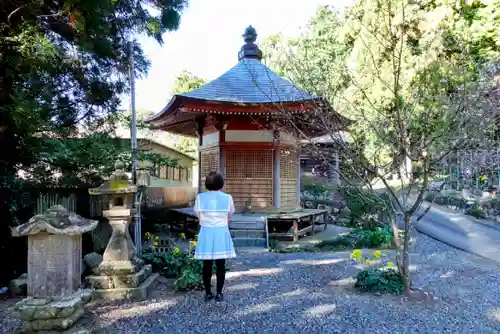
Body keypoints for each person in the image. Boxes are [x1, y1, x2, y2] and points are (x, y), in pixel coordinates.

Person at [193, 171, 236, 302]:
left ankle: (207, 293)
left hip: (206, 231)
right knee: (220, 264)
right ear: (221, 183)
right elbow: (229, 217)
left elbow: (198, 216)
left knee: (206, 264)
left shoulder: (200, 197)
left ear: (206, 184)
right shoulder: (227, 198)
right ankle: (219, 293)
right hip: (221, 232)